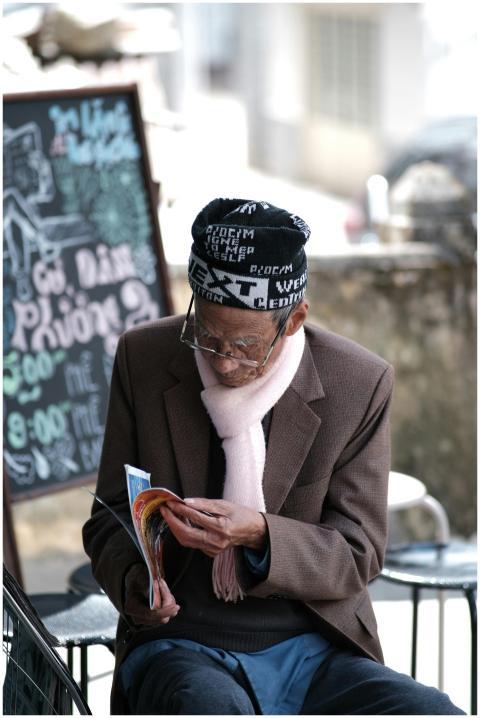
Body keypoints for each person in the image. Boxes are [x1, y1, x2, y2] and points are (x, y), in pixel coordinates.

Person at [83, 198, 464, 715]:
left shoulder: (357, 382)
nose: (223, 361)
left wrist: (260, 533)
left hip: (314, 645)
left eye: (245, 345)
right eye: (208, 336)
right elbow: (106, 522)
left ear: (294, 319)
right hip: (181, 642)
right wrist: (137, 585)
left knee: (430, 710)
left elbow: (358, 554)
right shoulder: (145, 358)